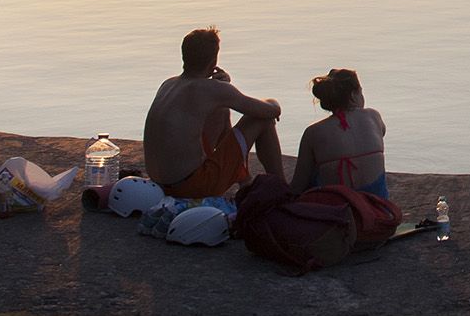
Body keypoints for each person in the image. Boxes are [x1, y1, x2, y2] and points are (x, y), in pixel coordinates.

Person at [143, 27, 284, 200]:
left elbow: (209, 98)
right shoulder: (213, 90)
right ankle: (281, 188)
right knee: (261, 119)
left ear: (184, 56)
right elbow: (271, 110)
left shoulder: (168, 84)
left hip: (160, 185)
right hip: (193, 187)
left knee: (220, 110)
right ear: (213, 61)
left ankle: (244, 180)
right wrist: (273, 102)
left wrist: (223, 89)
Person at [287, 67, 387, 200]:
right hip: (378, 206)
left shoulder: (313, 132)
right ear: (353, 95)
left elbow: (298, 186)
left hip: (337, 208)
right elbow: (380, 134)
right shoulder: (373, 116)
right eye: (361, 92)